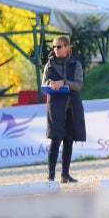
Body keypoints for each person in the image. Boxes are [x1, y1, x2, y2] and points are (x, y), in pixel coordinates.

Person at [42, 35, 86, 183]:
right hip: (55, 107)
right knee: (56, 139)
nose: (56, 49)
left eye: (59, 46)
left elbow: (78, 85)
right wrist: (50, 83)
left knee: (69, 140)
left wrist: (63, 83)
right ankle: (51, 176)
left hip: (72, 107)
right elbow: (44, 84)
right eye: (54, 47)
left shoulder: (76, 64)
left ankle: (65, 175)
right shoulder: (49, 65)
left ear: (67, 47)